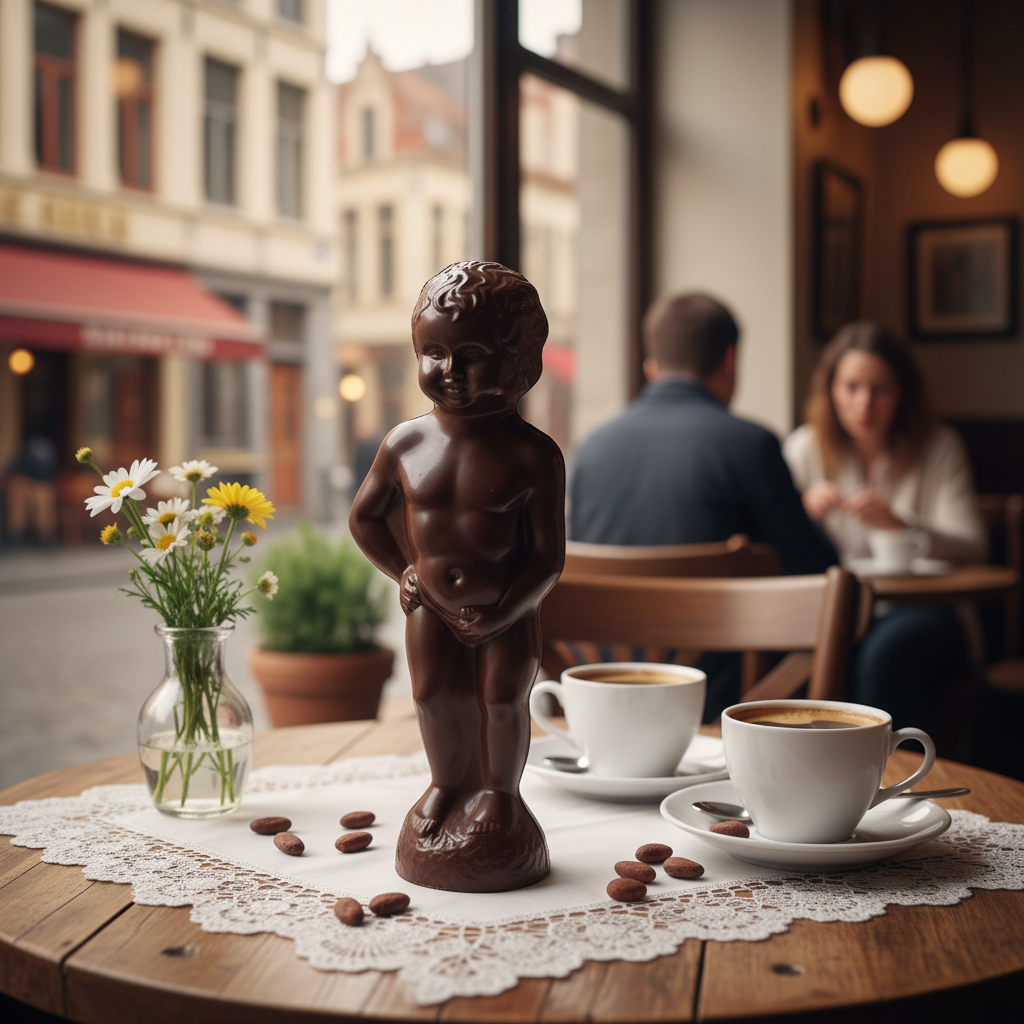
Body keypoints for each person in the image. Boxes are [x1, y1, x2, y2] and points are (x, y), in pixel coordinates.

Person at [349, 262, 564, 858]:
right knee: (433, 695)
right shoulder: (406, 443)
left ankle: (499, 793)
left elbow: (546, 558)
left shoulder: (533, 456)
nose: (450, 372)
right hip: (431, 609)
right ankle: (446, 784)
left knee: (502, 700)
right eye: (434, 353)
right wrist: (406, 572)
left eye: (471, 354)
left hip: (506, 609)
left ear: (518, 357)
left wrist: (504, 612)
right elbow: (364, 518)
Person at [570, 292, 836, 718]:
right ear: (730, 361)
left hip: (604, 701)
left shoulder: (592, 449)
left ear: (651, 367)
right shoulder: (751, 446)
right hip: (725, 708)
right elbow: (816, 578)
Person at [783, 322, 985, 733]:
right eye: (852, 387)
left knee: (885, 653)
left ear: (903, 393)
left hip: (922, 612)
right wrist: (801, 509)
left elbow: (973, 545)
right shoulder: (804, 448)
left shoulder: (938, 447)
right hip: (833, 613)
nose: (864, 403)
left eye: (881, 389)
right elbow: (776, 542)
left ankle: (894, 778)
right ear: (831, 390)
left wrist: (902, 524)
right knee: (816, 650)